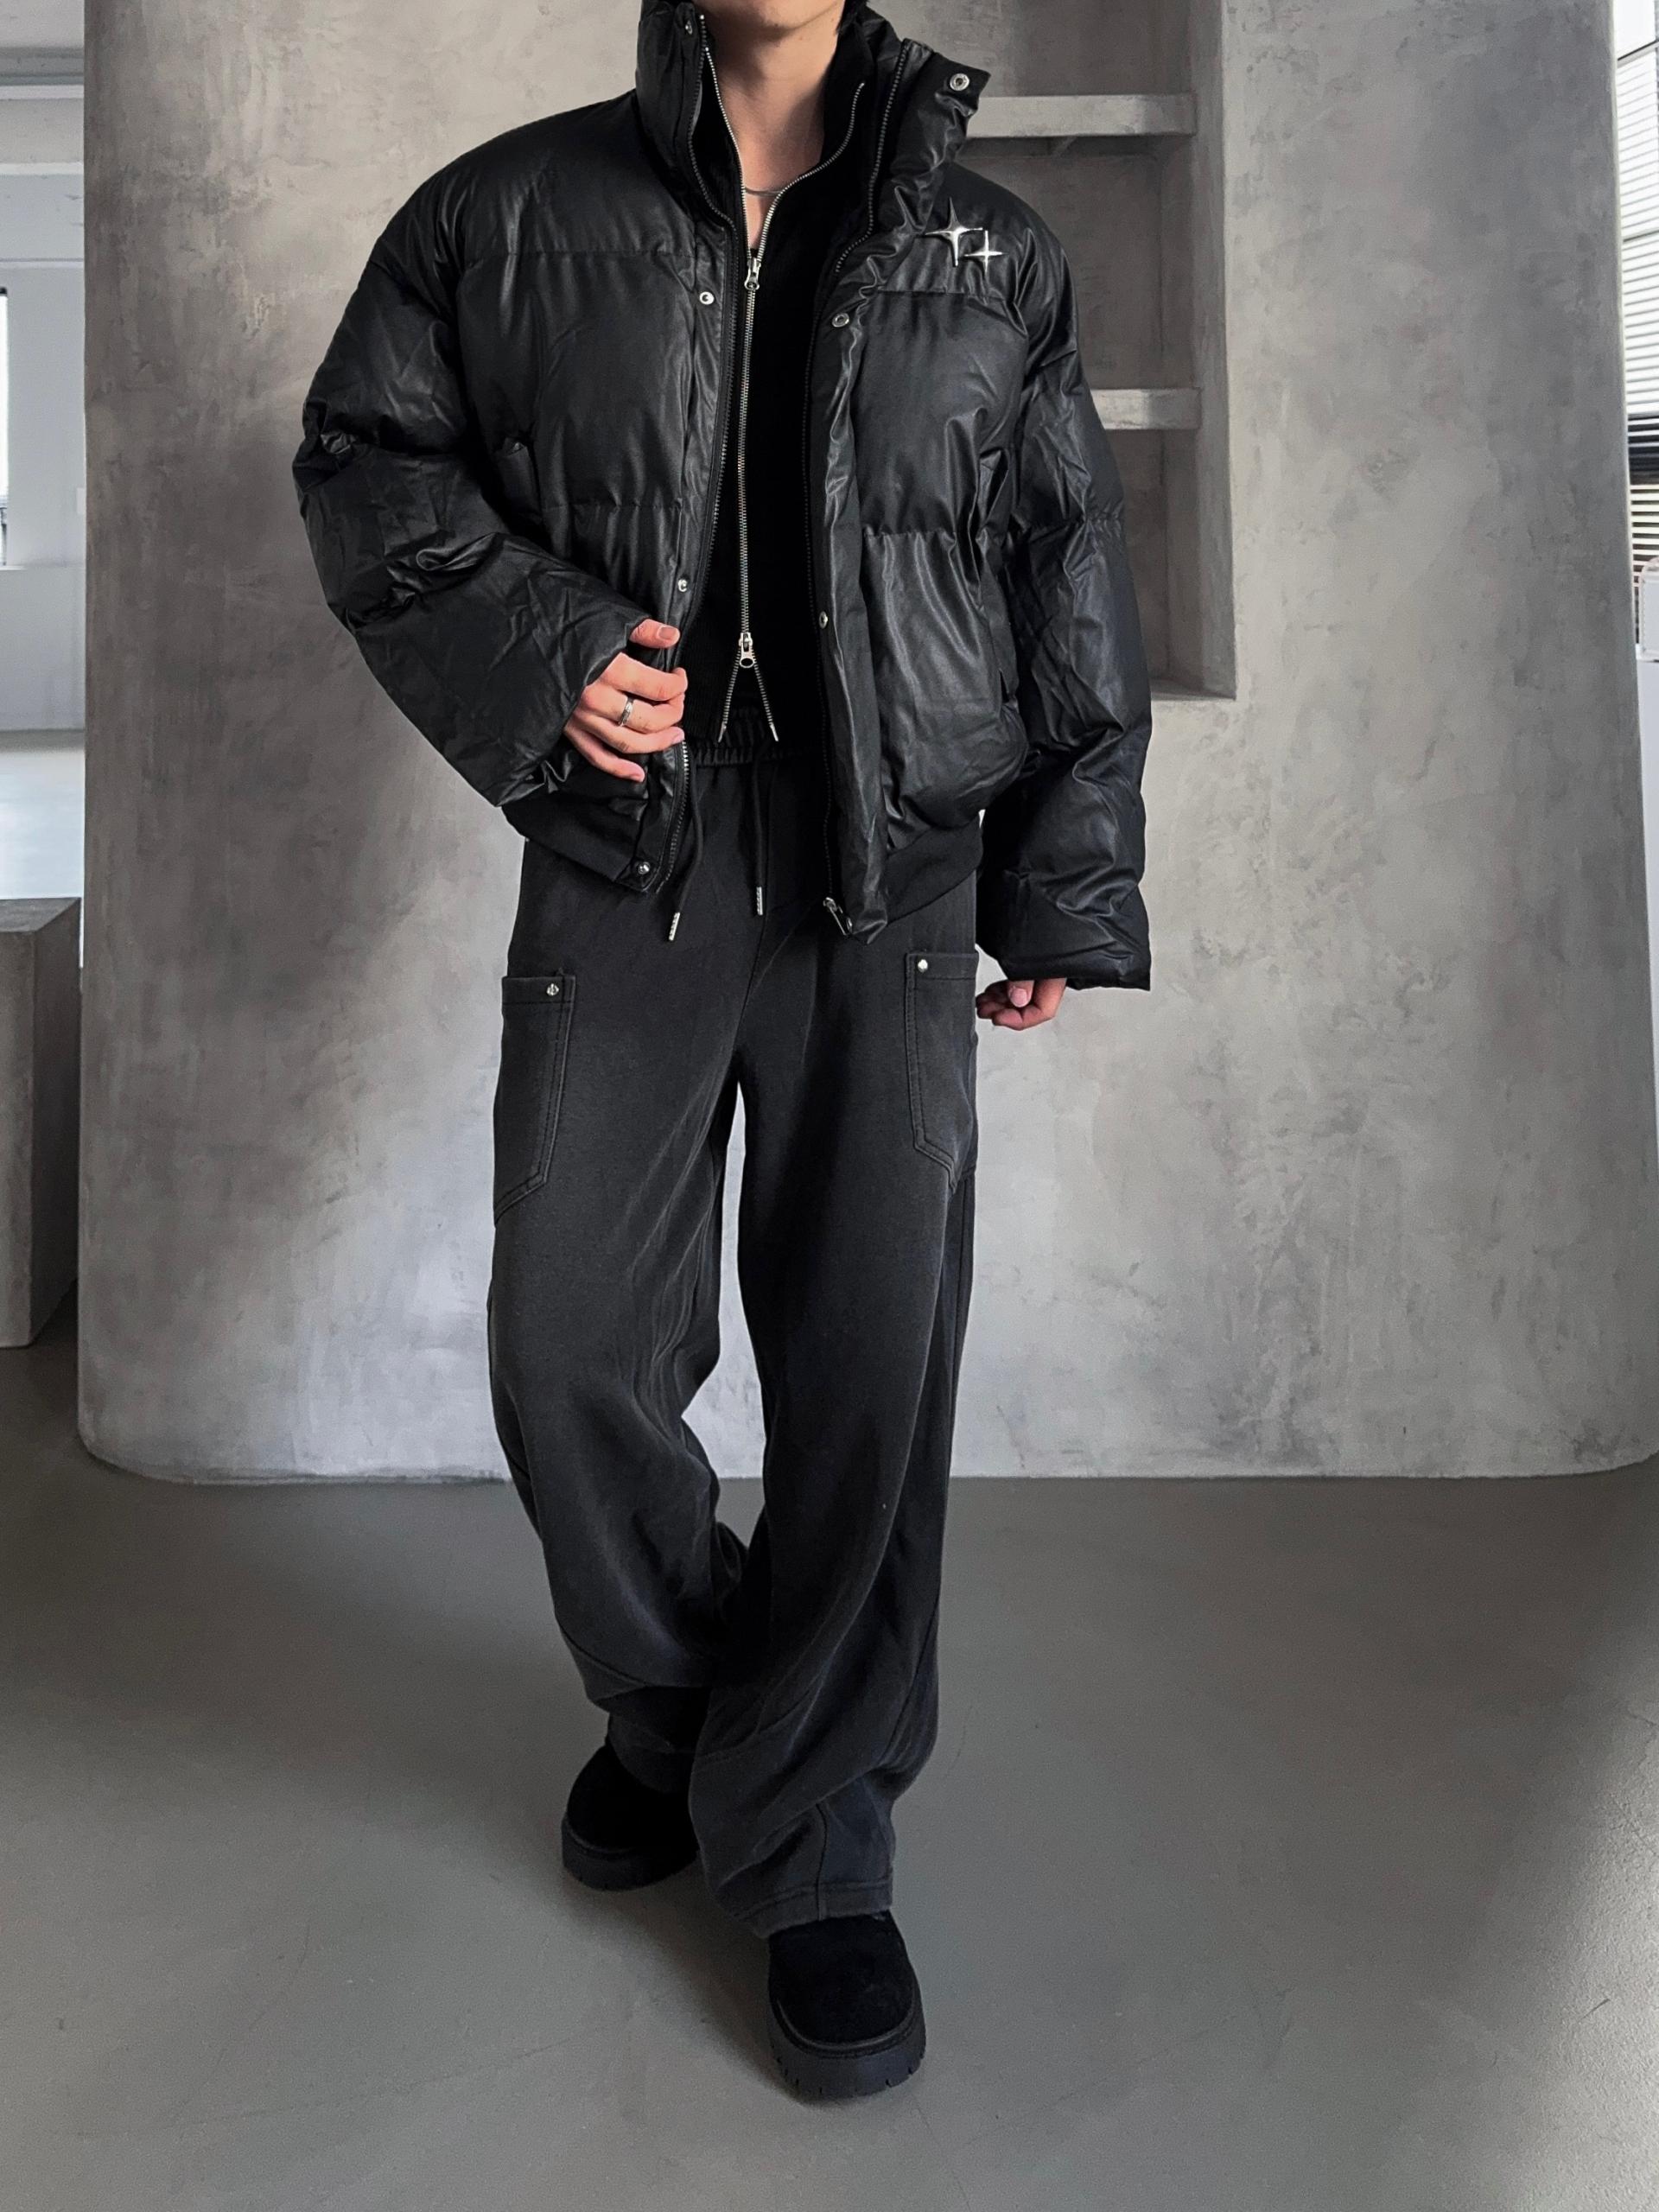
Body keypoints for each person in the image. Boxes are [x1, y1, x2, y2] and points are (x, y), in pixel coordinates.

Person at [292, 0, 1151, 2102]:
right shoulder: (501, 214)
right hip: (630, 849)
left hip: (897, 873)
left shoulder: (994, 247)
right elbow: (366, 459)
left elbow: (1063, 560)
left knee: (872, 1361)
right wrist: (552, 649)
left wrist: (1063, 874)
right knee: (566, 1346)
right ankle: (688, 1707)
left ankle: (822, 1819)